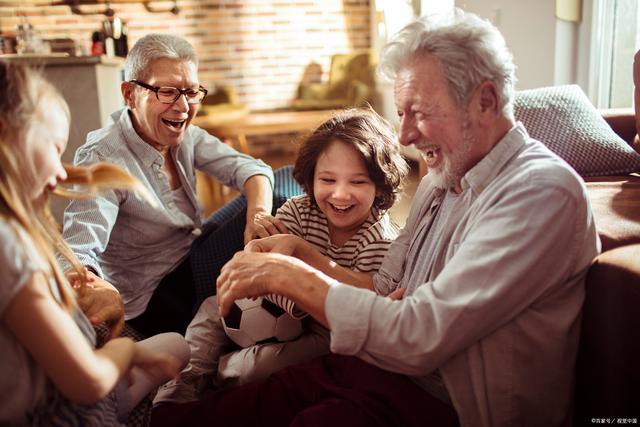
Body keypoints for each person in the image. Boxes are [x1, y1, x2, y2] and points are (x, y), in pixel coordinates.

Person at [151, 9, 600, 427]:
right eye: (401, 113)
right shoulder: (441, 179)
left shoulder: (540, 193)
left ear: (485, 100)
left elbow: (420, 335)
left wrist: (290, 275)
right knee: (222, 410)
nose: (403, 134)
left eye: (419, 112)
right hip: (385, 365)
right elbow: (385, 292)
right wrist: (302, 252)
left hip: (445, 402)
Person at [153, 108, 409, 404]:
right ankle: (188, 375)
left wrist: (299, 279)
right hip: (273, 305)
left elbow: (363, 303)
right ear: (311, 177)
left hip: (326, 329)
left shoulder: (382, 239)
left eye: (358, 182)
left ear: (379, 186)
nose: (340, 194)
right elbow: (258, 254)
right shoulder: (297, 211)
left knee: (261, 367)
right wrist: (256, 264)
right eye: (328, 180)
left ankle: (224, 372)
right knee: (213, 305)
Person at [60, 33, 299, 338]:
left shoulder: (184, 136)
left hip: (191, 252)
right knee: (284, 192)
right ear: (129, 94)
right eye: (169, 91)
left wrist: (258, 215)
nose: (183, 106)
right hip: (156, 298)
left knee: (283, 178)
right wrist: (93, 291)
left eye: (191, 91)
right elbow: (78, 247)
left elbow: (252, 169)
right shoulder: (103, 157)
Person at [0, 62, 191, 426]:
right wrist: (124, 353)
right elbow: (88, 381)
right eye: (54, 149)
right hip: (59, 410)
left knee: (176, 345)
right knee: (167, 351)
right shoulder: (9, 245)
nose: (60, 171)